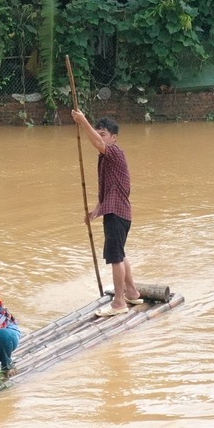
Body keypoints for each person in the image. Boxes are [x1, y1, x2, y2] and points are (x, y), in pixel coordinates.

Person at [72, 108, 138, 317]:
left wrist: (83, 122)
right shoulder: (108, 158)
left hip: (118, 215)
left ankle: (119, 302)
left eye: (103, 134)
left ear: (114, 137)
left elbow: (98, 143)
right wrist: (96, 211)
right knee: (119, 253)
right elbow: (113, 191)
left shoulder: (114, 152)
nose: (100, 138)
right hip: (119, 212)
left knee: (115, 257)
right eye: (98, 133)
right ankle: (132, 291)